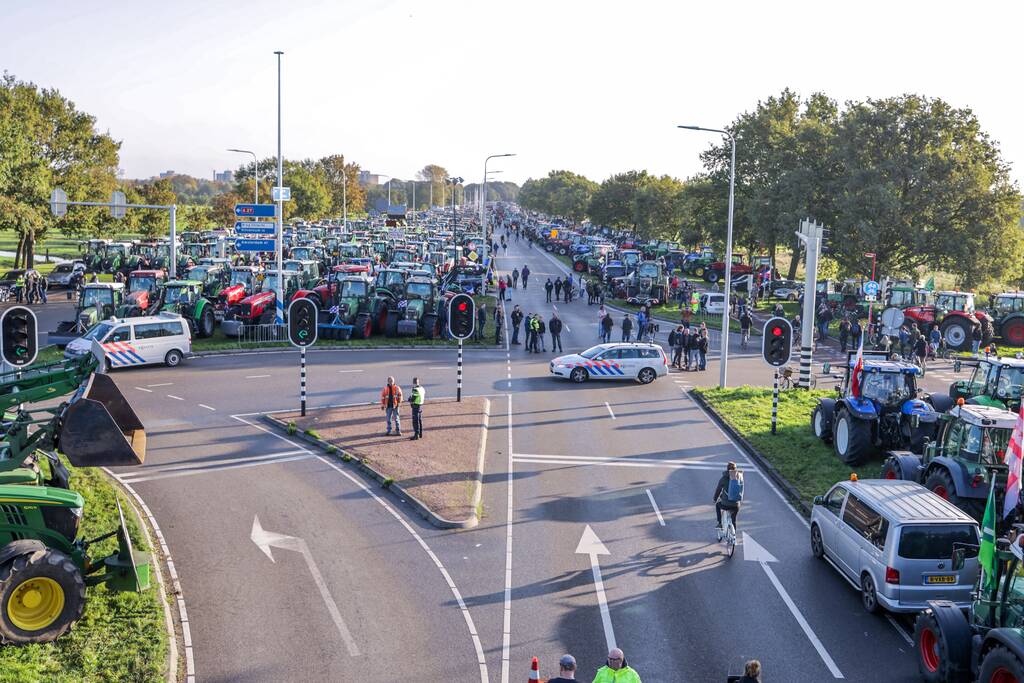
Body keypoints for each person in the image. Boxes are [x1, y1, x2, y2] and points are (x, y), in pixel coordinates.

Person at [714, 462, 744, 534]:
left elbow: (718, 490)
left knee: (718, 505)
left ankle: (720, 523)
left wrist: (715, 499)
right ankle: (734, 536)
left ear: (727, 469)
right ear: (735, 469)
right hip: (736, 504)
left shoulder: (724, 478)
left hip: (725, 504)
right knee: (733, 520)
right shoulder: (739, 477)